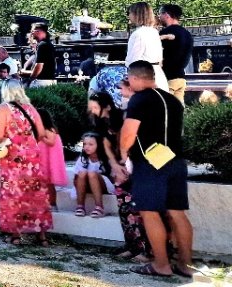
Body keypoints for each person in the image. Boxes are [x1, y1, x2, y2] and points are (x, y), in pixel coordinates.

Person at [119, 60, 194, 278]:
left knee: (149, 212)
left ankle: (161, 264)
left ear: (134, 78)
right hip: (176, 161)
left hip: (151, 162)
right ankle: (185, 264)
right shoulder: (173, 100)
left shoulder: (139, 99)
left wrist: (123, 155)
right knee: (177, 213)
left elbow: (128, 133)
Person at [89, 91, 151, 263]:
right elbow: (106, 146)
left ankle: (145, 249)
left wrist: (123, 163)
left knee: (136, 210)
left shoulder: (121, 119)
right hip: (117, 170)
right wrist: (115, 166)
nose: (93, 111)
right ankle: (132, 246)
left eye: (95, 107)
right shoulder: (100, 124)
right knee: (124, 210)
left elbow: (127, 142)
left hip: (132, 167)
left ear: (107, 106)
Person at [0, 79, 52, 246]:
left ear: (5, 91)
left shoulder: (3, 108)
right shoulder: (31, 108)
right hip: (32, 158)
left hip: (12, 159)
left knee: (13, 195)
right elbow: (41, 133)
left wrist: (2, 142)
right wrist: (28, 143)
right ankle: (42, 236)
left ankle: (16, 236)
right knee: (36, 195)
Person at [125, 2, 168, 91]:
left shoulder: (138, 34)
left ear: (136, 14)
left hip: (143, 76)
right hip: (158, 74)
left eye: (130, 13)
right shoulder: (154, 32)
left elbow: (132, 61)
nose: (129, 16)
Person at [73, 132, 114, 218]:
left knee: (91, 173)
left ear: (98, 145)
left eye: (91, 144)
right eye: (85, 144)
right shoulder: (82, 159)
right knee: (82, 172)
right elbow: (76, 179)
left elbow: (112, 177)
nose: (87, 147)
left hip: (103, 186)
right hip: (87, 186)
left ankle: (99, 207)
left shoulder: (105, 158)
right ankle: (80, 206)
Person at [158, 4, 193, 103]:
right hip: (181, 78)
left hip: (167, 79)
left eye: (160, 14)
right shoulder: (187, 34)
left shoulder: (165, 32)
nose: (159, 17)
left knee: (166, 108)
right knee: (179, 109)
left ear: (166, 15)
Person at [37, 110, 66, 208]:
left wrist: (42, 138)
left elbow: (51, 142)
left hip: (48, 161)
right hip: (43, 159)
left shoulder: (48, 130)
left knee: (49, 184)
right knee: (44, 184)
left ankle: (52, 204)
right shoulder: (42, 129)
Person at [26, 23, 57, 87]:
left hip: (41, 82)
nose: (31, 33)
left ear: (39, 31)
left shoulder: (42, 45)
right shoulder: (48, 44)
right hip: (49, 81)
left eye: (32, 31)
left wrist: (30, 80)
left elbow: (39, 66)